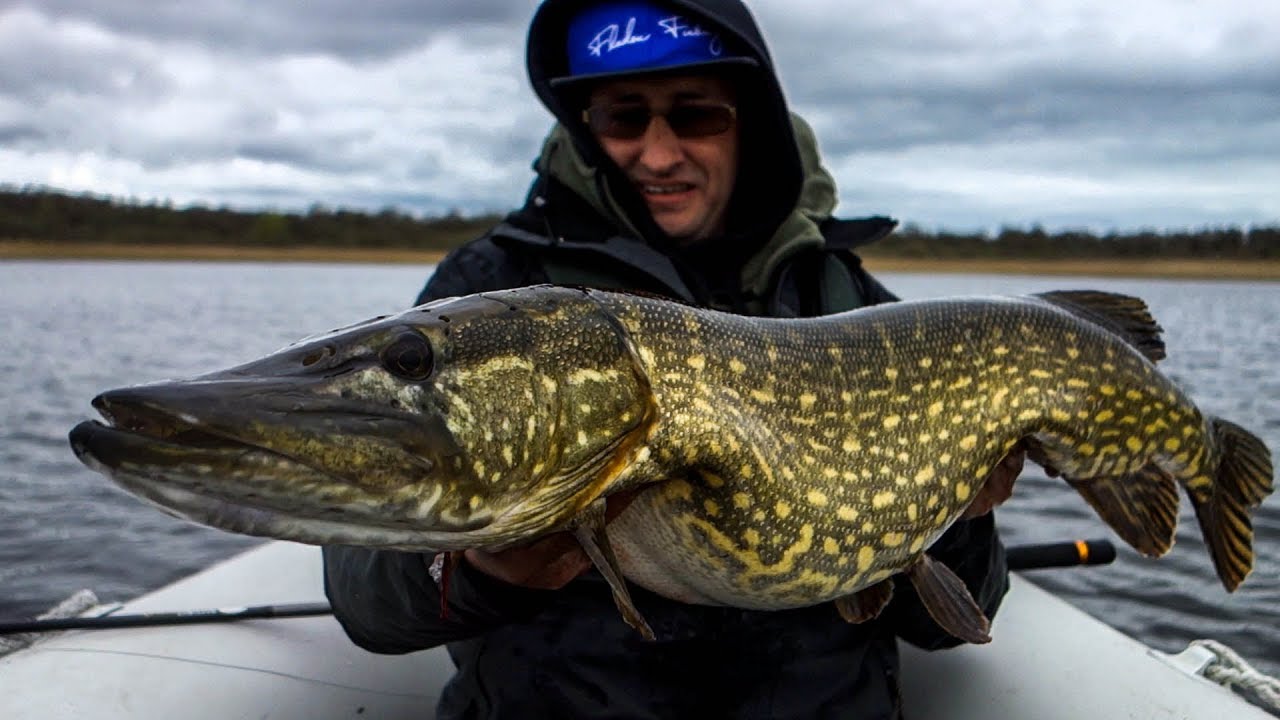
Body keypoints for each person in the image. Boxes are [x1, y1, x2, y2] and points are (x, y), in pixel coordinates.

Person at [324, 1, 1021, 717]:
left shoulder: (848, 304)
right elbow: (366, 601)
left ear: (749, 123)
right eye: (623, 118)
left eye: (696, 116)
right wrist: (479, 572)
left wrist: (957, 507)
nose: (658, 155)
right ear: (586, 128)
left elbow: (950, 624)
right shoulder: (490, 294)